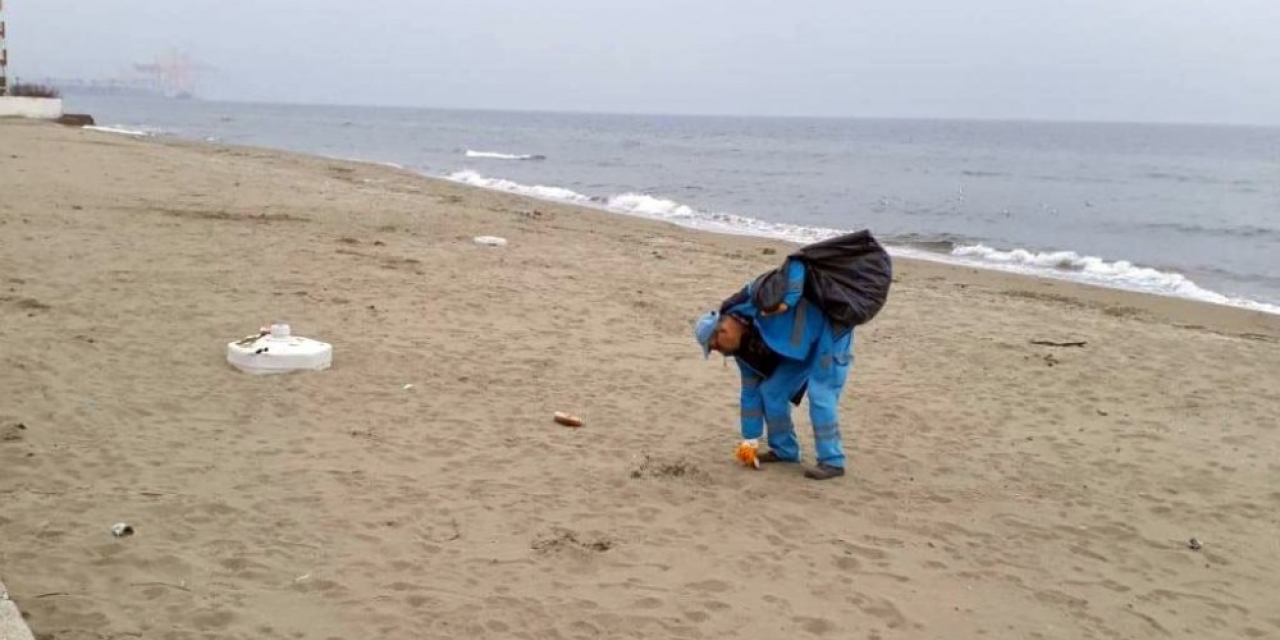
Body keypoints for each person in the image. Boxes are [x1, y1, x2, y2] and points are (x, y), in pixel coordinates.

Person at [694, 258, 854, 480]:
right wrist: (750, 441)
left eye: (716, 346)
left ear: (722, 330)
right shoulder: (743, 354)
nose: (720, 352)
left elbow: (797, 263)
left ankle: (832, 461)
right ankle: (785, 451)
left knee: (821, 393)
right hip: (799, 351)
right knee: (771, 391)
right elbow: (750, 395)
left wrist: (790, 300)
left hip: (831, 329)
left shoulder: (753, 296)